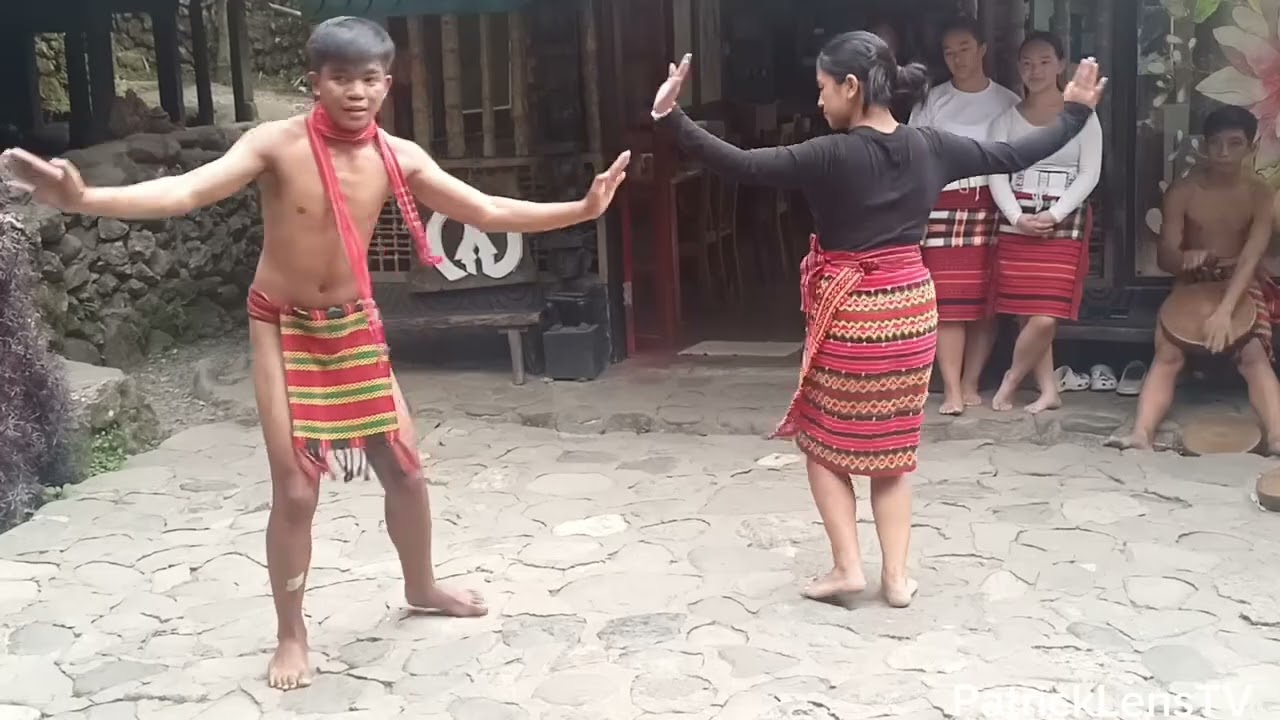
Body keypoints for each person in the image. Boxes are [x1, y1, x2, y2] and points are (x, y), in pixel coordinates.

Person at [3, 17, 629, 690]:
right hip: (280, 323)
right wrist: (85, 196)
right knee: (298, 487)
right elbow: (186, 191)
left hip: (352, 324)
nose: (356, 92)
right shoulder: (276, 143)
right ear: (315, 82)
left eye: (369, 80)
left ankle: (422, 586)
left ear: (387, 84)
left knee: (409, 473)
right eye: (340, 79)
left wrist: (580, 208)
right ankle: (291, 634)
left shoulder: (398, 156)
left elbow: (487, 212)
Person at [651, 35, 1105, 607]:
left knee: (821, 442)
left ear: (850, 87)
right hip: (913, 303)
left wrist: (670, 116)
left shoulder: (827, 153)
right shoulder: (932, 146)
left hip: (853, 308)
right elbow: (1014, 156)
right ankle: (896, 579)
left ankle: (847, 568)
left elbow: (738, 165)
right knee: (892, 449)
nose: (818, 103)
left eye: (822, 89)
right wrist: (1077, 114)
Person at [1107, 106, 1280, 453]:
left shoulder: (1261, 194)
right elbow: (1165, 256)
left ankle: (1277, 437)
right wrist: (1184, 258)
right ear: (1204, 145)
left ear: (1251, 146)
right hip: (1193, 283)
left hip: (1240, 283)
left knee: (1253, 355)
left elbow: (1251, 256)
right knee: (1168, 353)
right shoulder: (1183, 191)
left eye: (1234, 144)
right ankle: (1141, 434)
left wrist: (1225, 312)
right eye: (1216, 144)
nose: (1224, 153)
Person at [909, 16, 1020, 415]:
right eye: (949, 52)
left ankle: (973, 381)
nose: (958, 58)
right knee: (948, 303)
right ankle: (952, 388)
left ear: (983, 49)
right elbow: (913, 158)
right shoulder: (932, 100)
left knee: (984, 303)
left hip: (991, 205)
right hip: (943, 204)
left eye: (965, 48)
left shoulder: (1008, 101)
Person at [989, 32, 1103, 414]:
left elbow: (1089, 173)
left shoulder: (1083, 117)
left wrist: (1055, 214)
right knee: (1027, 311)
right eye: (1026, 63)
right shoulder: (1005, 119)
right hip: (1016, 218)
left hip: (1063, 220)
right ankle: (1048, 390)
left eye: (1043, 61)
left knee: (1046, 313)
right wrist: (1016, 217)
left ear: (1060, 64)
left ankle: (1011, 379)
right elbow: (996, 173)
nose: (1034, 70)